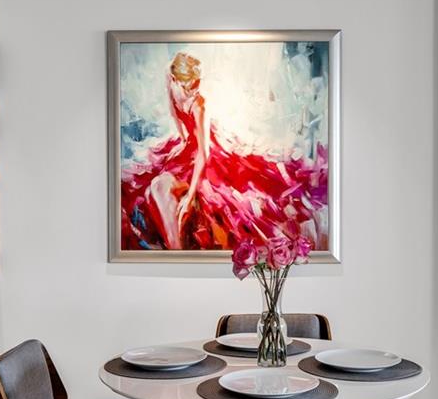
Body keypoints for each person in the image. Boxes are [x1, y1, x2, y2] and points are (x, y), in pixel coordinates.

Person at [120, 51, 327, 252]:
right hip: (190, 145)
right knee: (150, 186)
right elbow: (176, 116)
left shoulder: (199, 104)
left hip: (206, 149)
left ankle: (178, 250)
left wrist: (190, 194)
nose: (193, 90)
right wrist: (182, 141)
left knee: (219, 194)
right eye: (188, 86)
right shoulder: (171, 83)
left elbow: (204, 154)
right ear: (174, 80)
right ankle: (174, 249)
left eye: (196, 85)